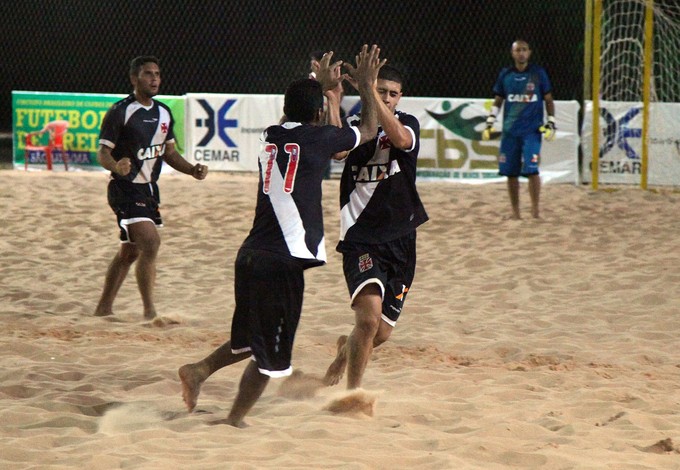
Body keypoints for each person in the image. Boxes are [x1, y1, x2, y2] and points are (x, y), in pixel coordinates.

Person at [178, 45, 384, 428]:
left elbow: (298, 116)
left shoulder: (272, 135)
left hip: (251, 253)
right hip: (281, 260)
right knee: (270, 360)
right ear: (319, 113)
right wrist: (368, 86)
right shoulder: (319, 138)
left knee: (246, 340)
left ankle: (199, 370)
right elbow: (370, 130)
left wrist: (321, 89)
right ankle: (234, 419)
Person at [323, 64, 429, 390]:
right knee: (368, 321)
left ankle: (345, 352)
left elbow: (398, 138)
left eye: (391, 93)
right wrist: (332, 96)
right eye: (380, 89)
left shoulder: (407, 124)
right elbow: (338, 150)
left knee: (379, 333)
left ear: (400, 97)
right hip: (361, 237)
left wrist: (368, 91)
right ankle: (352, 394)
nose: (386, 96)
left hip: (402, 239)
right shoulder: (355, 126)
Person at [94, 56, 208, 320]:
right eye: (148, 74)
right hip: (125, 188)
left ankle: (103, 308)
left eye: (157, 73)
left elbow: (169, 153)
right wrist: (115, 166)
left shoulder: (164, 112)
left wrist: (192, 169)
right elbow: (102, 153)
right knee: (151, 243)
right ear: (134, 79)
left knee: (130, 251)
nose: (154, 78)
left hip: (149, 189)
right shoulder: (120, 111)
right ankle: (150, 314)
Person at [483, 39, 555, 219]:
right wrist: (490, 121)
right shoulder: (505, 75)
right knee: (511, 172)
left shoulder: (538, 73)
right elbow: (498, 100)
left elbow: (548, 99)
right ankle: (515, 212)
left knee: (532, 170)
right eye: (517, 50)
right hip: (510, 132)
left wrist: (551, 121)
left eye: (524, 50)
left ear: (529, 52)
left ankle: (535, 210)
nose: (521, 53)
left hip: (532, 131)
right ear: (512, 53)